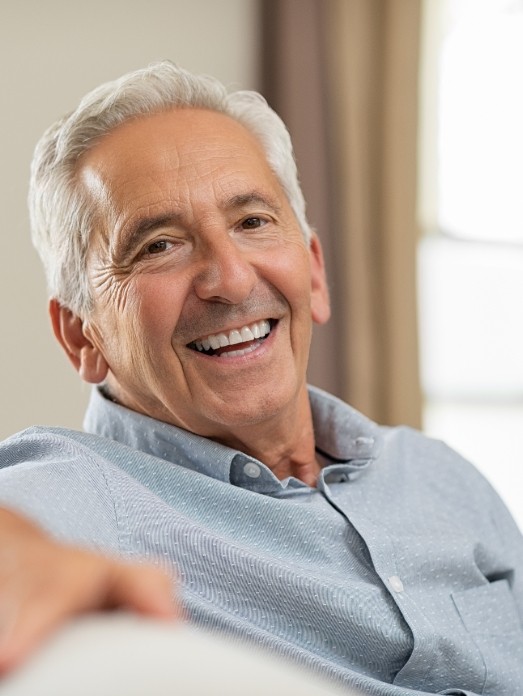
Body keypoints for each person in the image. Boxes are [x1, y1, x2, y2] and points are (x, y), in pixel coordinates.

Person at [0, 62, 522, 696]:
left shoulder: (441, 476)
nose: (233, 280)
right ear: (82, 335)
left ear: (315, 271)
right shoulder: (73, 487)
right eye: (159, 245)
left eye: (252, 222)